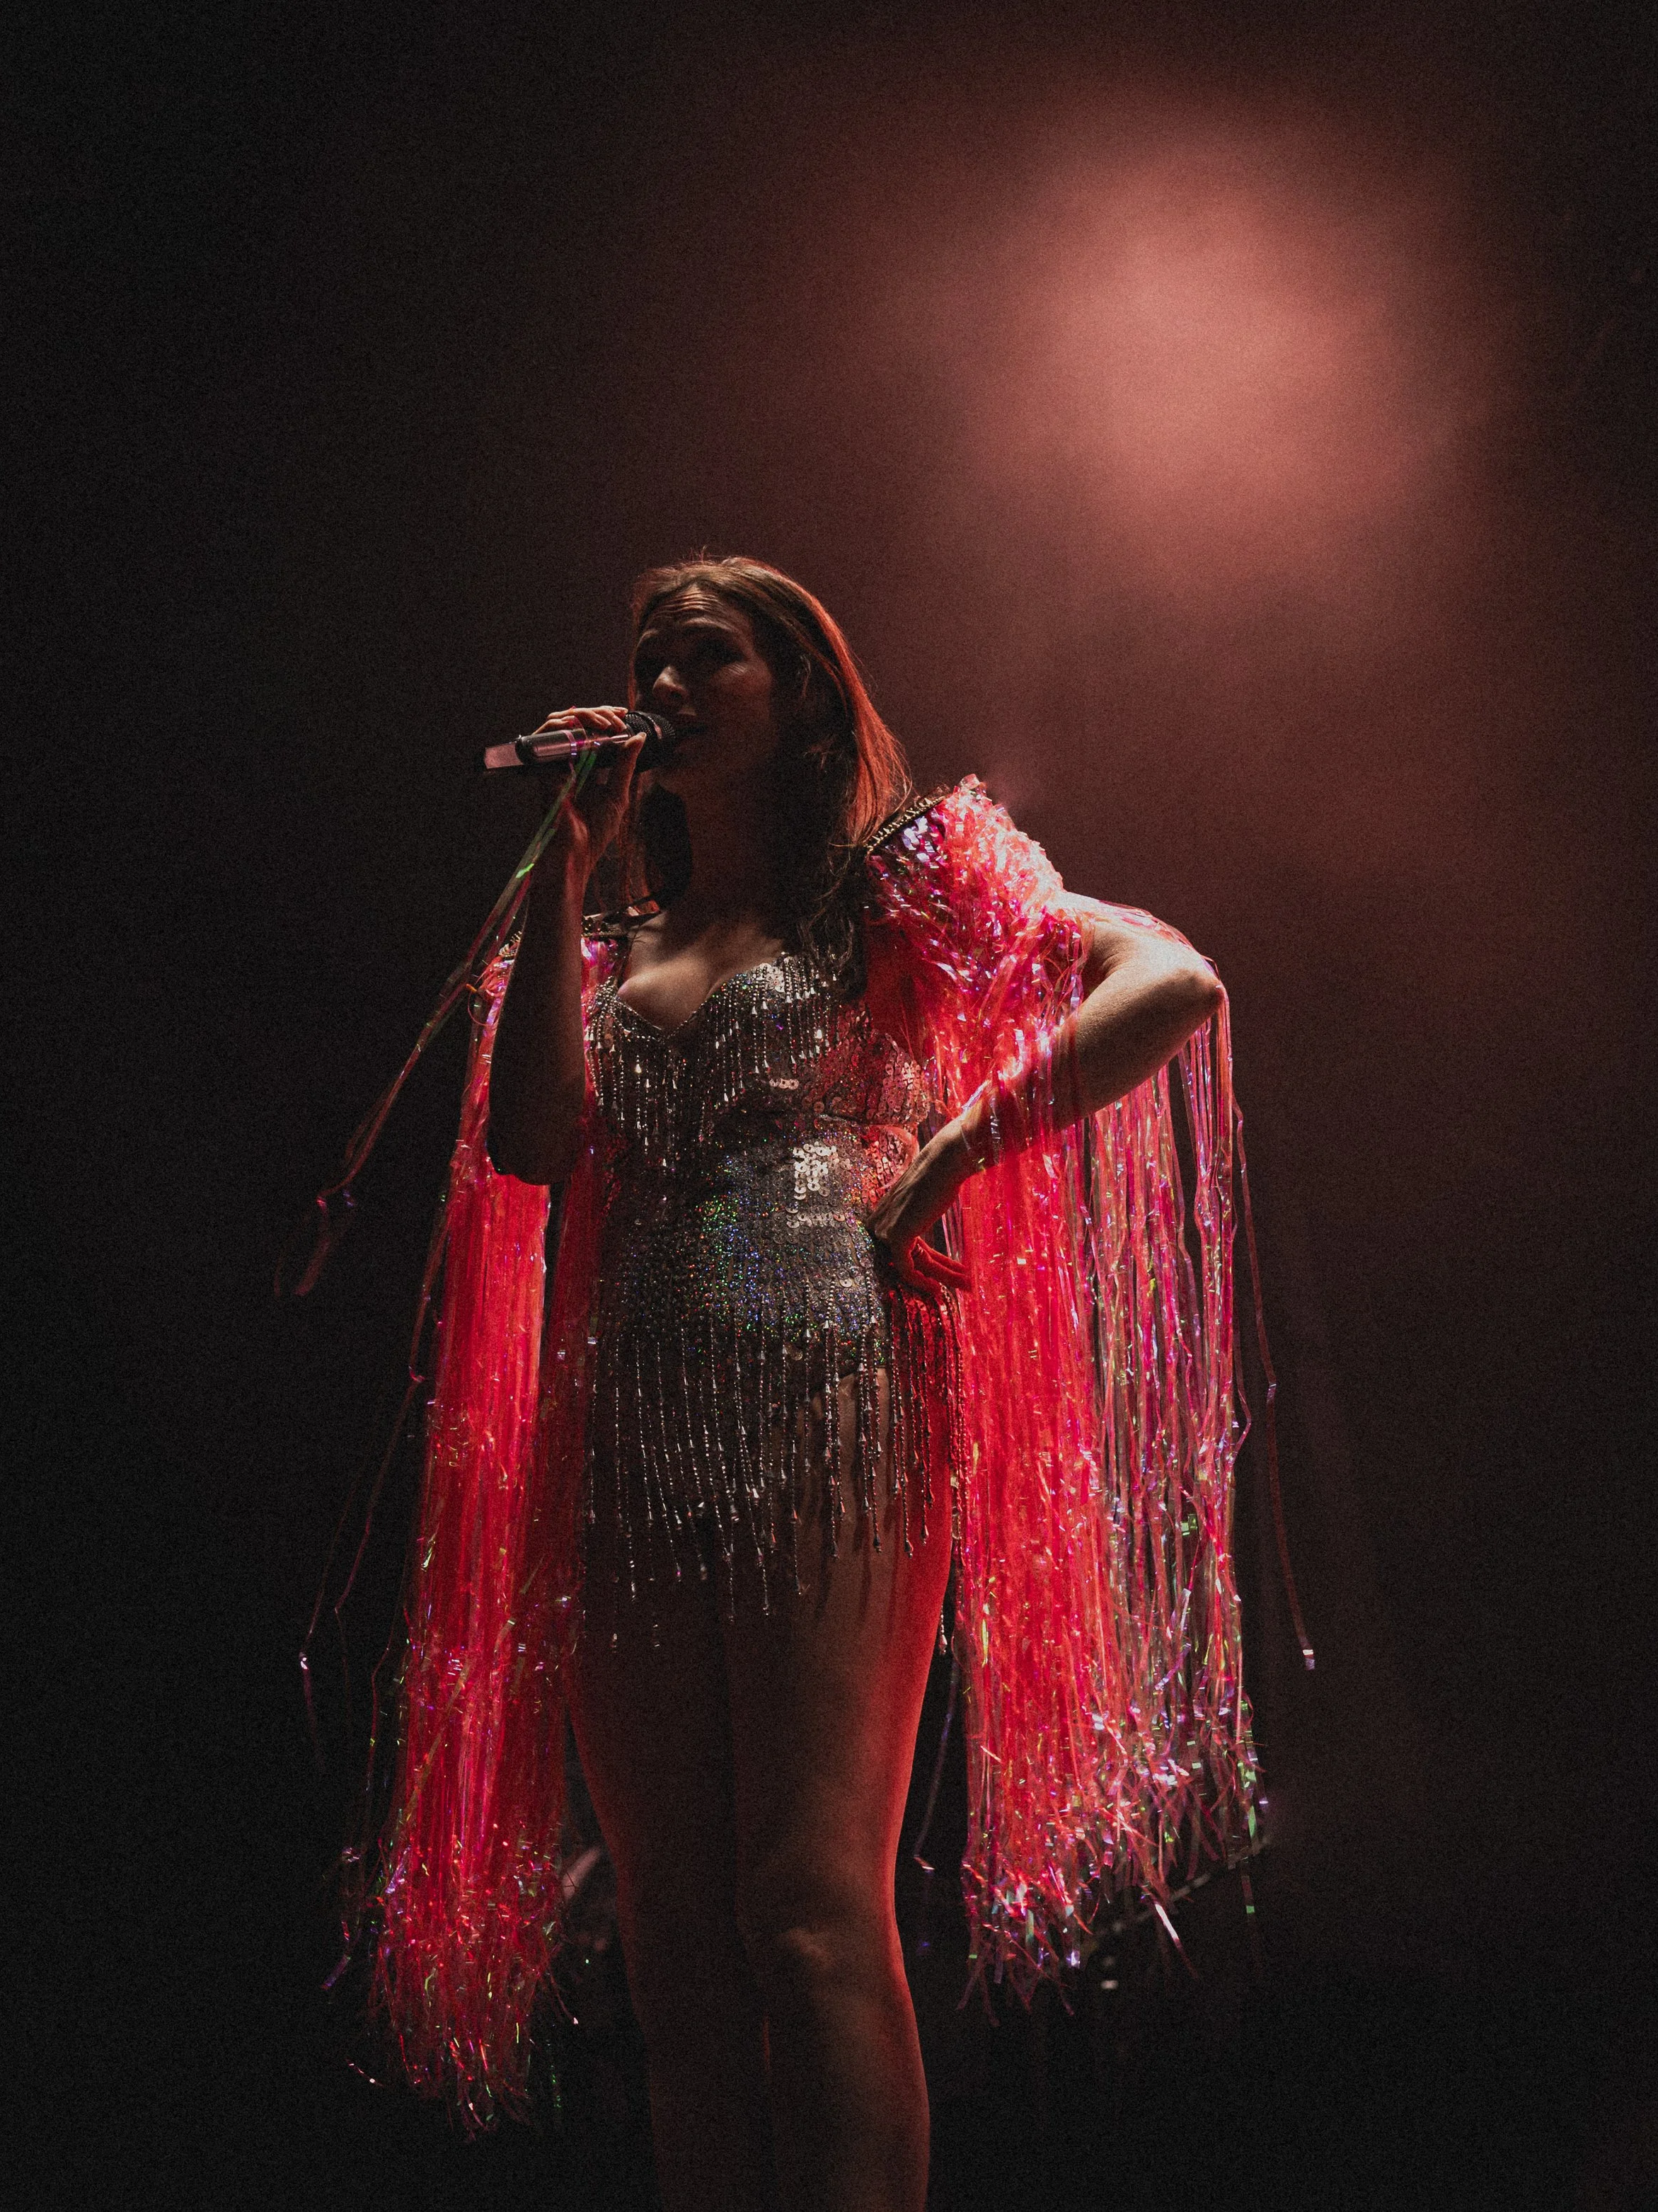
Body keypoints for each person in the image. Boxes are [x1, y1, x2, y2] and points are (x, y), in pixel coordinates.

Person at [371, 560, 1256, 2212]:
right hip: (625, 1418)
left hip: (829, 1391)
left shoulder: (899, 884)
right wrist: (566, 866)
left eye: (707, 656)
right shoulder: (614, 926)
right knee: (672, 1940)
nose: (667, 681)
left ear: (799, 694)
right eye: (648, 658)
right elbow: (533, 1145)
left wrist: (943, 1156)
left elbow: (1169, 981)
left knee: (800, 1901)